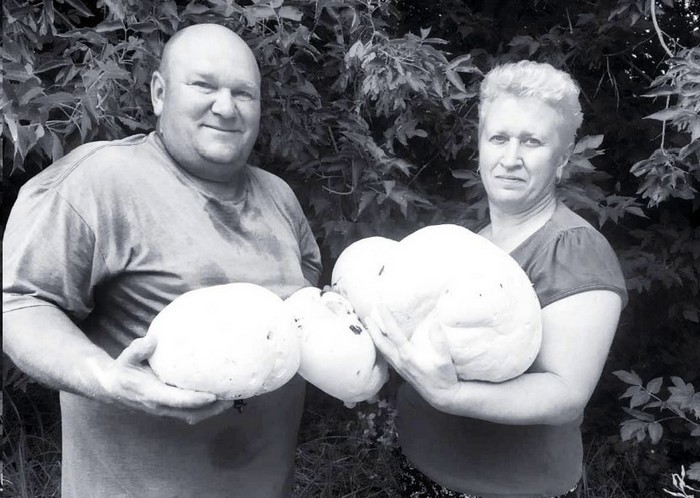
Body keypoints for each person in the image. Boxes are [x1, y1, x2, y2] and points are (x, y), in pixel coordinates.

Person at [3, 23, 321, 498]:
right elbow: (20, 304)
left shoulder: (279, 197)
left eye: (243, 93)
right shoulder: (101, 180)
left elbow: (304, 315)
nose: (226, 107)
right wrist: (107, 378)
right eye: (204, 85)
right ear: (158, 92)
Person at [367, 60, 628, 498]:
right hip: (422, 466)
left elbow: (566, 394)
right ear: (481, 146)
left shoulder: (574, 249)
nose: (510, 158)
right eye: (499, 138)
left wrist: (451, 397)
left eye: (532, 141)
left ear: (563, 158)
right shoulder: (474, 241)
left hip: (508, 488)